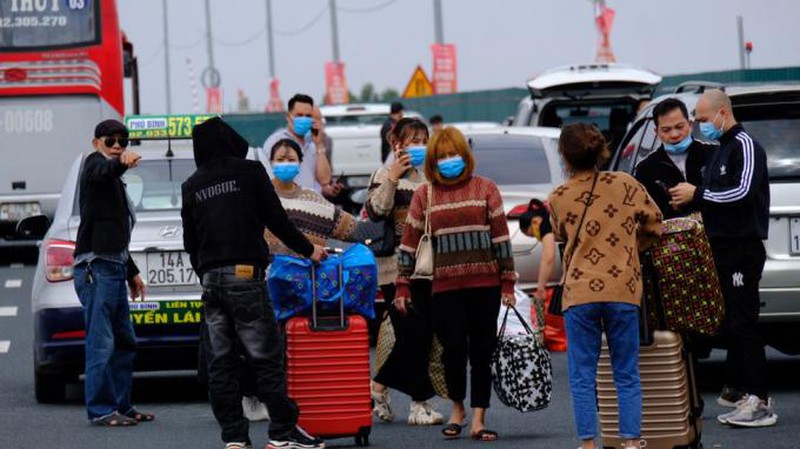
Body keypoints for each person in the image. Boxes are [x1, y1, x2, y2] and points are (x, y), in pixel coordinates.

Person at [182, 117, 327, 449]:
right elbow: (276, 219)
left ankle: (234, 437)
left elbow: (191, 241)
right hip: (246, 276)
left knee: (221, 362)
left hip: (211, 281)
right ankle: (282, 432)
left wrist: (206, 273)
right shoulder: (249, 173)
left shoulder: (192, 185)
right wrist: (309, 251)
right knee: (266, 356)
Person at [396, 126, 516, 442]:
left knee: (481, 351)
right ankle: (457, 409)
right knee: (451, 351)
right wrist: (402, 285)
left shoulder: (486, 188)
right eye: (444, 156)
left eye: (455, 155)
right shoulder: (425, 194)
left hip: (485, 284)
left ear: (465, 156)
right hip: (445, 287)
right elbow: (409, 242)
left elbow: (501, 237)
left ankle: (478, 418)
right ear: (434, 161)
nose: (450, 160)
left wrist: (508, 283)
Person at [548, 123, 662, 449]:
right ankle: (631, 441)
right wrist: (631, 248)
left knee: (582, 375)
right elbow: (656, 224)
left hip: (579, 292)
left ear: (564, 156)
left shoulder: (558, 196)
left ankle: (587, 444)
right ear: (601, 150)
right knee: (625, 371)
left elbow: (559, 235)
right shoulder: (626, 184)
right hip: (622, 288)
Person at [669, 89, 775, 428]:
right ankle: (744, 393)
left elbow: (742, 192)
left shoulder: (745, 145)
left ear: (721, 114)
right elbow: (717, 198)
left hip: (743, 248)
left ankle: (760, 401)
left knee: (745, 323)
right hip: (723, 249)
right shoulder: (721, 150)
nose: (700, 126)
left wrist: (697, 193)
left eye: (701, 119)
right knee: (733, 322)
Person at [72, 119, 152, 426]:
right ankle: (102, 410)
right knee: (101, 342)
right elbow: (103, 171)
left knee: (125, 341)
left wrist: (131, 271)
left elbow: (115, 232)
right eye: (110, 140)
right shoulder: (94, 166)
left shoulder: (113, 180)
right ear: (96, 143)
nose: (118, 145)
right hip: (97, 268)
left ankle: (121, 406)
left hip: (113, 266)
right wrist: (119, 163)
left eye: (123, 140)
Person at [367, 117, 443, 426]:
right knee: (413, 335)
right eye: (411, 140)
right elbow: (375, 212)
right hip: (395, 270)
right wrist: (393, 179)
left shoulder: (433, 177)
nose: (419, 146)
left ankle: (378, 388)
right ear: (396, 144)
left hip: (430, 268)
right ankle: (418, 404)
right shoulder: (384, 174)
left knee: (419, 335)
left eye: (423, 139)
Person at [634, 98, 713, 219]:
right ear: (657, 132)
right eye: (666, 130)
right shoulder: (646, 169)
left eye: (679, 127)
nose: (674, 134)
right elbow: (643, 213)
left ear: (690, 125)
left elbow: (729, 195)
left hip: (716, 233)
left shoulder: (713, 155)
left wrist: (696, 195)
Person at [257, 94, 341, 198]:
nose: (304, 119)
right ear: (288, 116)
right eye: (299, 115)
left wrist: (319, 145)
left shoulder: (312, 145)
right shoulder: (276, 141)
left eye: (308, 116)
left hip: (311, 206)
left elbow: (324, 180)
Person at [519, 199, 557, 305]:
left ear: (534, 221)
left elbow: (548, 258)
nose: (537, 237)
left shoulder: (545, 225)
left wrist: (540, 288)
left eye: (532, 234)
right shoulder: (551, 220)